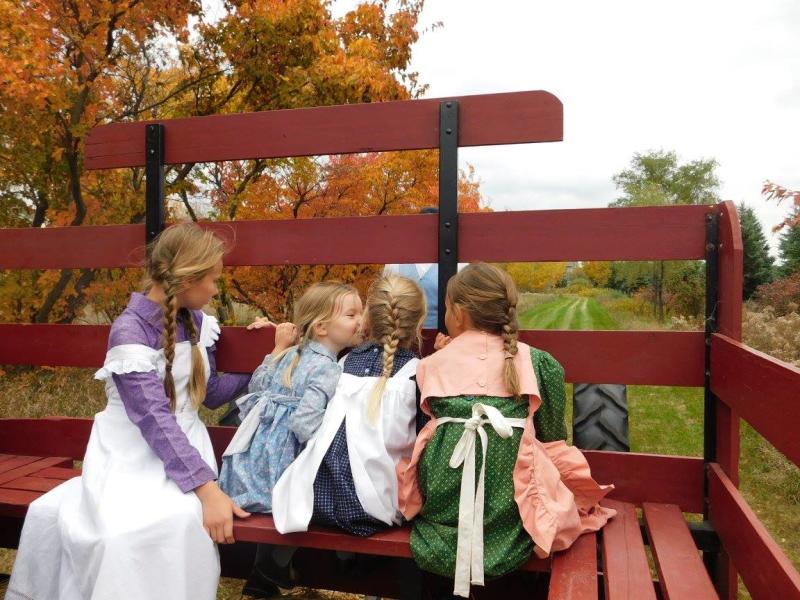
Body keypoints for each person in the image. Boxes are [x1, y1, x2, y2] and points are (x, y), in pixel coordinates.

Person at [6, 223, 254, 600]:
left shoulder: (200, 323)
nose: (217, 289)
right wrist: (207, 490)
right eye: (213, 279)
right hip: (128, 453)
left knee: (177, 521)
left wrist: (268, 361)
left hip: (183, 449)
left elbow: (212, 394)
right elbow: (152, 417)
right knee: (116, 536)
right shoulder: (130, 330)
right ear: (186, 277)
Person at [397, 263, 616, 598]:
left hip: (441, 509)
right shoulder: (539, 363)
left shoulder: (432, 364)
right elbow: (553, 439)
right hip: (512, 517)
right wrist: (578, 493)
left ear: (459, 312)